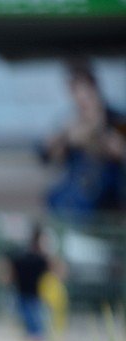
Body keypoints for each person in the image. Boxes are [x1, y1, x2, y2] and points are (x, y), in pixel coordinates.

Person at [41, 62, 125, 223]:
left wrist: (101, 139)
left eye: (86, 91)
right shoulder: (68, 124)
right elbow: (48, 153)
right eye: (76, 92)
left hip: (108, 206)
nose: (83, 100)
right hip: (74, 208)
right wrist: (66, 139)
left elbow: (119, 149)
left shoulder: (117, 120)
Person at [0, 225, 62, 341]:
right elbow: (60, 271)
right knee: (36, 336)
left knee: (31, 336)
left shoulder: (19, 256)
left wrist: (8, 279)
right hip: (33, 301)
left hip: (19, 299)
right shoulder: (41, 259)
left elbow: (4, 272)